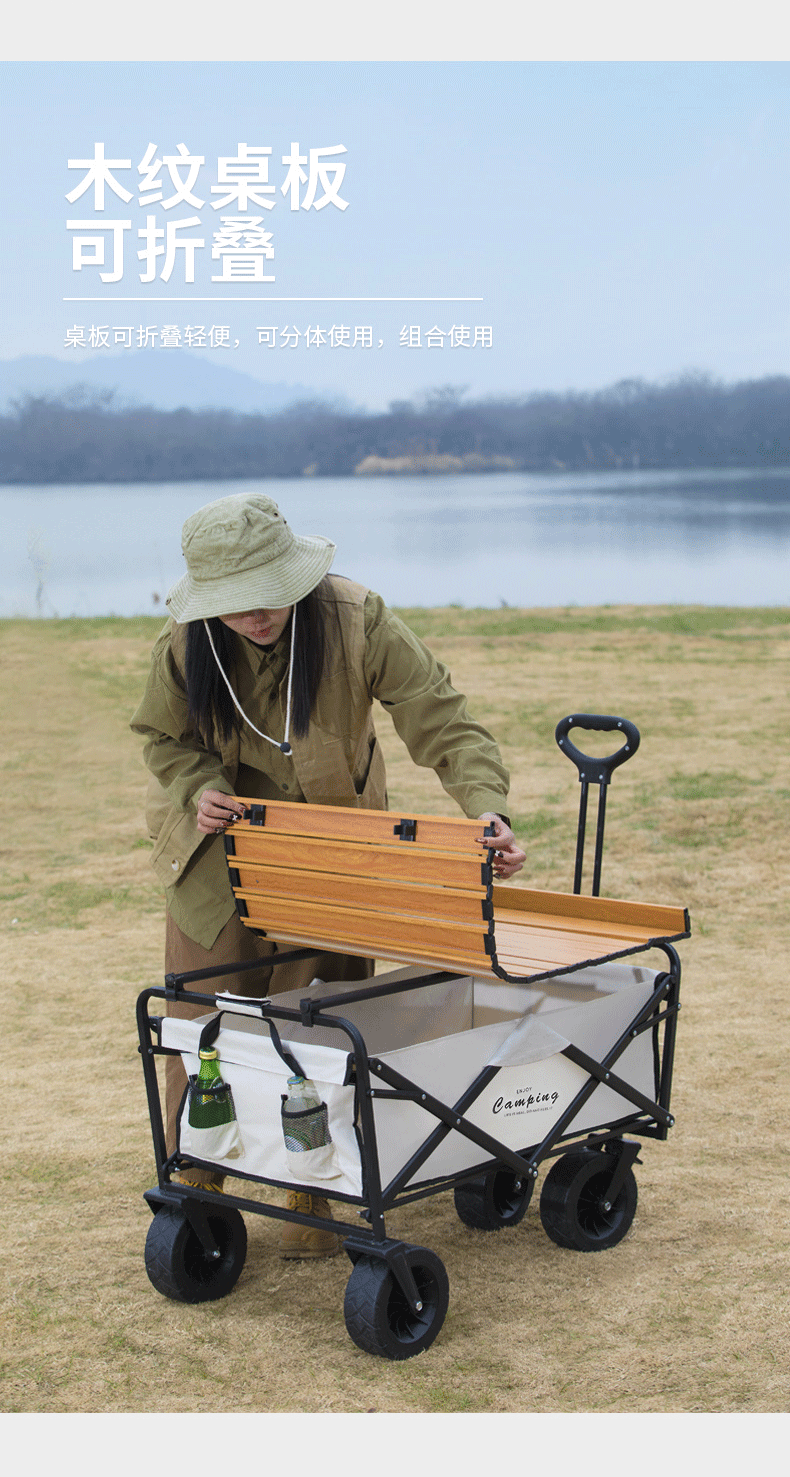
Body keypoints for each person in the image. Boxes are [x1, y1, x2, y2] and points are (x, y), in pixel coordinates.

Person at [131, 492, 526, 1258]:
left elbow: (438, 714)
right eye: (238, 603)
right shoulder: (183, 645)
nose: (258, 614)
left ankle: (317, 1187)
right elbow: (162, 735)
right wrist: (199, 785)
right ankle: (196, 1185)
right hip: (219, 849)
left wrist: (489, 809)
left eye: (271, 593)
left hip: (331, 850)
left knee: (321, 1022)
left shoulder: (355, 617)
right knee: (201, 1020)